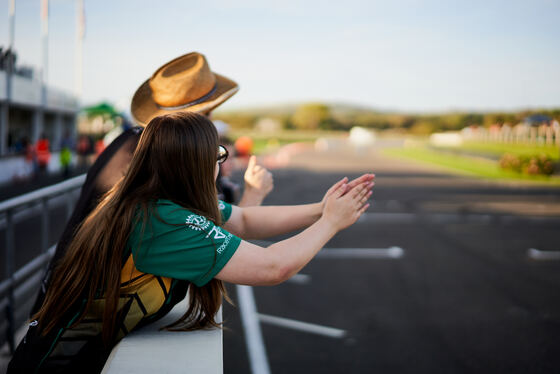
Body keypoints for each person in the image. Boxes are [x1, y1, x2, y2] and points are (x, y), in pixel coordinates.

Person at [8, 112, 374, 373]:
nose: (221, 163)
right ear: (194, 164)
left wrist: (323, 209)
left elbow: (245, 219)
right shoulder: (163, 223)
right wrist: (330, 224)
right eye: (217, 155)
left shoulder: (154, 199)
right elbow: (273, 267)